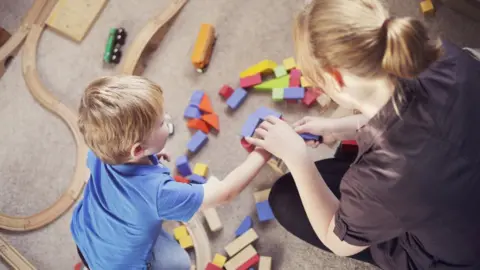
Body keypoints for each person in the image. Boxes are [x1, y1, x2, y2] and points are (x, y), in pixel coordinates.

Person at [245, 0, 480, 269]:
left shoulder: (382, 177)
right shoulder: (448, 56)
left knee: (286, 198)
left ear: (336, 79)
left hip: (461, 256)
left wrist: (297, 158)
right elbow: (418, 117)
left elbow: (336, 241)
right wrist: (340, 126)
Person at [70, 75, 270, 270]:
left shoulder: (99, 152)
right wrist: (264, 151)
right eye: (161, 123)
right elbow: (225, 193)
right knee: (180, 264)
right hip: (121, 265)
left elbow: (108, 171)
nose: (167, 118)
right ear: (138, 150)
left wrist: (150, 155)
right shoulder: (158, 192)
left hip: (85, 233)